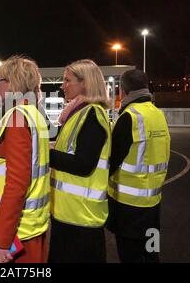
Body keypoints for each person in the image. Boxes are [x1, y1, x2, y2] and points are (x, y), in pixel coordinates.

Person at [0, 56, 50, 263]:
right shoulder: (33, 115)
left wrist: (2, 240)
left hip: (9, 235)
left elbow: (17, 184)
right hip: (29, 229)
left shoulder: (16, 118)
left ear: (13, 83)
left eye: (0, 82)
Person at [49, 59, 111, 263]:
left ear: (85, 83)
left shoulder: (92, 114)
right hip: (70, 213)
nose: (62, 85)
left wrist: (43, 153)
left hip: (81, 217)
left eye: (68, 80)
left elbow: (83, 164)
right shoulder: (77, 114)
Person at [106, 69, 170, 263]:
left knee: (130, 257)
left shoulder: (129, 117)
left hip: (128, 208)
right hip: (153, 204)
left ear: (123, 91)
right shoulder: (158, 114)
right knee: (152, 252)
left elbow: (112, 159)